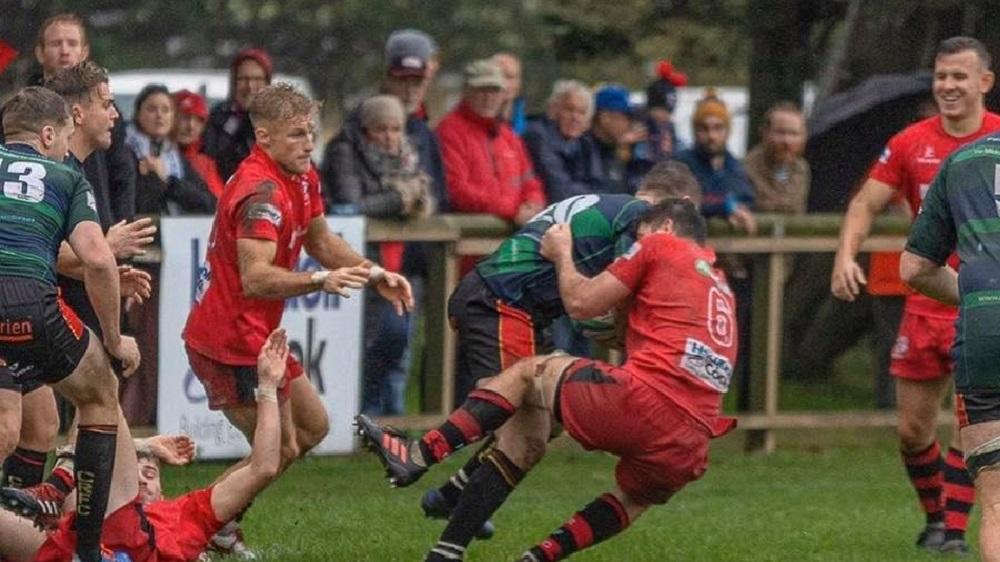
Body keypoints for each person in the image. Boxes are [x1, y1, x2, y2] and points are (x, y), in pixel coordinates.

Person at [357, 198, 738, 562]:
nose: (633, 240)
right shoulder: (720, 286)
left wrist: (562, 253)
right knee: (628, 499)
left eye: (644, 229)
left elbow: (581, 304)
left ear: (666, 226)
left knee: (527, 380)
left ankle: (418, 455)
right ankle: (529, 554)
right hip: (694, 438)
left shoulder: (657, 246)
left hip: (641, 399)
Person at [182, 83, 413, 553]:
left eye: (310, 132)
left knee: (312, 428)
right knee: (275, 453)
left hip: (257, 336)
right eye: (295, 135)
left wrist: (374, 274)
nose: (308, 143)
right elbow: (256, 278)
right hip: (229, 342)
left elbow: (322, 242)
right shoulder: (260, 191)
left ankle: (217, 523)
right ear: (263, 138)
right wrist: (317, 282)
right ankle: (193, 528)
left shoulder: (303, 175)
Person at [417, 160, 701, 538]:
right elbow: (599, 301)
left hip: (518, 306)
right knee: (521, 429)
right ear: (678, 205)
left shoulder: (610, 206)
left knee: (547, 418)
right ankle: (427, 481)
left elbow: (586, 304)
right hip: (502, 301)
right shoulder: (639, 217)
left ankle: (453, 495)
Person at [831, 36, 1000, 555]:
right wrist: (845, 255)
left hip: (983, 299)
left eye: (959, 76)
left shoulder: (995, 142)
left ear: (985, 83)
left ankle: (954, 532)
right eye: (941, 76)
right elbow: (865, 202)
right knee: (912, 428)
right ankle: (936, 518)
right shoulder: (910, 142)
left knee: (972, 422)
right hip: (928, 293)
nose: (948, 86)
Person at [0, 328, 291, 562]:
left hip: (116, 541)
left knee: (101, 397)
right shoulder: (109, 496)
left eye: (150, 474)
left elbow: (263, 467)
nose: (143, 476)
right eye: (141, 470)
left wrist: (266, 386)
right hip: (71, 544)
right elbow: (91, 435)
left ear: (163, 493)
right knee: (96, 414)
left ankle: (56, 484)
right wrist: (145, 445)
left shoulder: (189, 513)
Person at [0, 86, 140, 562]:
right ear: (46, 133)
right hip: (32, 307)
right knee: (100, 391)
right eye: (63, 136)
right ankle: (86, 550)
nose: (65, 146)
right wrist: (116, 339)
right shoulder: (64, 174)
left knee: (9, 425)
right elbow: (97, 260)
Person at [900, 125, 1000, 562]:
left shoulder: (963, 161)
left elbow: (915, 269)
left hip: (985, 331)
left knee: (997, 504)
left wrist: (982, 300)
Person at [324, 94, 435, 416]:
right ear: (365, 129)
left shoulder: (410, 156)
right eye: (381, 129)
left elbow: (427, 199)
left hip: (403, 262)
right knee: (366, 345)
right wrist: (400, 198)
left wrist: (408, 199)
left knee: (397, 344)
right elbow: (349, 205)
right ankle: (363, 417)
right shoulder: (344, 151)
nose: (389, 137)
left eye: (396, 128)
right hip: (360, 262)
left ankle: (393, 422)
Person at [436, 59, 545, 226]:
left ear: (503, 94)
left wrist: (533, 204)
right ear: (466, 92)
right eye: (481, 90)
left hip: (510, 240)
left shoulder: (509, 136)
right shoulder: (449, 132)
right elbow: (456, 190)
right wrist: (513, 209)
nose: (488, 97)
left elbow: (530, 181)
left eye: (494, 90)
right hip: (467, 241)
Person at [126, 84, 217, 216]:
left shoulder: (175, 156)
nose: (159, 115)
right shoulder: (125, 151)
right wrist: (149, 180)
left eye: (165, 110)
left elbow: (209, 203)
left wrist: (169, 182)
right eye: (152, 109)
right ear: (138, 114)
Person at [673, 90, 756, 232]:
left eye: (718, 128)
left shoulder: (734, 165)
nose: (712, 136)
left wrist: (738, 207)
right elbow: (684, 201)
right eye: (704, 129)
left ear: (728, 131)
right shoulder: (680, 165)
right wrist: (725, 206)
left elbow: (747, 197)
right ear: (695, 130)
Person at [523, 80, 606, 202]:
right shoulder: (538, 135)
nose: (575, 118)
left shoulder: (586, 144)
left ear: (588, 121)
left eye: (581, 112)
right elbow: (558, 190)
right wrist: (587, 194)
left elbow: (601, 189)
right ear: (553, 110)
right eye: (569, 109)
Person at [203, 48, 272, 181]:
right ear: (234, 82)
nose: (250, 86)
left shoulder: (278, 120)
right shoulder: (219, 117)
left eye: (257, 79)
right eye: (243, 79)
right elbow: (211, 156)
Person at [743, 102, 810, 215]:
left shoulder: (801, 168)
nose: (787, 141)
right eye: (780, 132)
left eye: (794, 134)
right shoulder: (744, 170)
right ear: (764, 133)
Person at [587, 85, 649, 194]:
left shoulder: (614, 147)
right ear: (605, 118)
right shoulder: (586, 147)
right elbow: (603, 194)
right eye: (626, 118)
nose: (629, 125)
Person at [172, 89, 225, 198]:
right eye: (184, 118)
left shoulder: (205, 164)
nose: (191, 126)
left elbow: (219, 205)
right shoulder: (150, 157)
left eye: (199, 120)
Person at [644, 59, 688, 159]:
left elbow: (651, 106)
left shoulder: (655, 87)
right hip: (667, 120)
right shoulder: (671, 86)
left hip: (658, 122)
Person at [493, 53, 526, 135]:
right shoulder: (482, 114)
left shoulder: (525, 114)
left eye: (511, 77)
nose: (506, 83)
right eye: (501, 76)